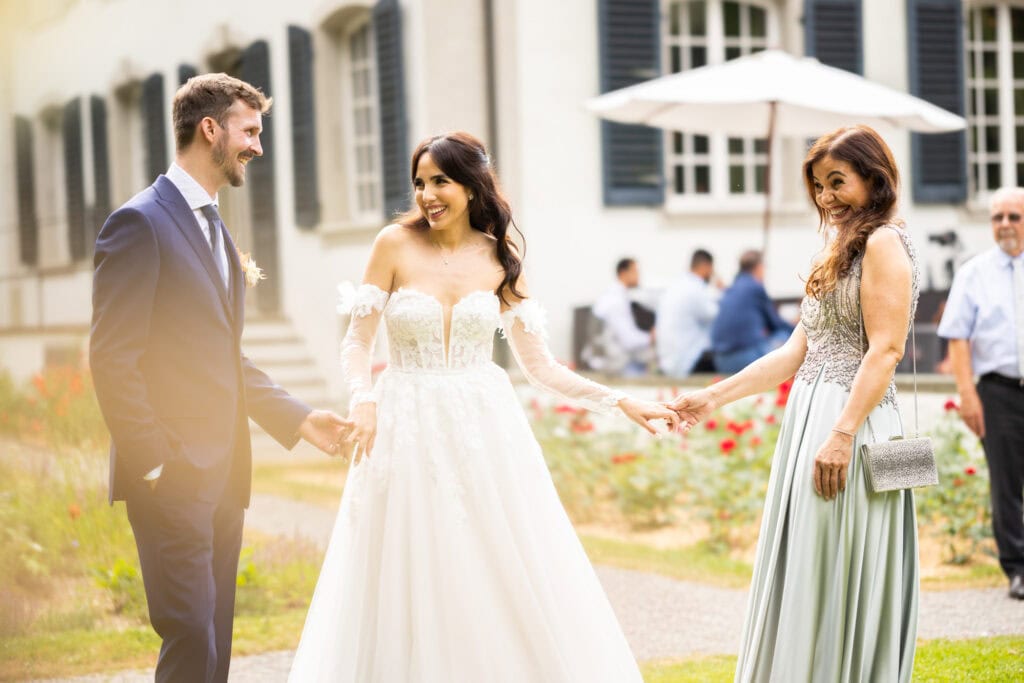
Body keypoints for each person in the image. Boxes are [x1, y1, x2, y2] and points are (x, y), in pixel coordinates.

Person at [288, 132, 677, 682]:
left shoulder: (500, 258)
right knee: (409, 557)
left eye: (440, 181)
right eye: (420, 182)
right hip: (406, 421)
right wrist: (365, 398)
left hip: (483, 425)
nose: (427, 194)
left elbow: (539, 368)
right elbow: (357, 342)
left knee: (492, 558)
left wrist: (621, 401)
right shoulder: (393, 245)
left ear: (472, 187)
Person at [89, 73, 351, 683]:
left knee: (215, 639)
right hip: (172, 477)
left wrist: (300, 418)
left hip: (223, 472)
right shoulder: (139, 224)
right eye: (250, 130)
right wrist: (155, 463)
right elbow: (111, 357)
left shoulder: (214, 227)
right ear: (210, 129)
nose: (257, 147)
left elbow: (221, 354)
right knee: (190, 637)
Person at [670, 125, 920, 681]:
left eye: (838, 182)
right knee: (807, 558)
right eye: (818, 185)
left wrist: (842, 433)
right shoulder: (836, 248)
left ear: (873, 180)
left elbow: (886, 350)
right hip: (809, 415)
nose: (826, 197)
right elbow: (790, 355)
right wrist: (711, 397)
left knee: (836, 558)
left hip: (852, 424)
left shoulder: (883, 243)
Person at [937, 186, 1024, 601]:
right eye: (998, 217)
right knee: (1005, 483)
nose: (1005, 224)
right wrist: (967, 395)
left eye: (1014, 216)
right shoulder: (973, 273)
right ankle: (1018, 569)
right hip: (998, 392)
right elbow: (957, 339)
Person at [710, 250, 793, 373]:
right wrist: (799, 328)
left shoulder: (731, 289)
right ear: (759, 267)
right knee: (785, 336)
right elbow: (776, 324)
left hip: (720, 361)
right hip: (747, 359)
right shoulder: (754, 287)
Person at [656, 248, 719, 376]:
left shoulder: (676, 286)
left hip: (668, 360)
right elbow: (717, 316)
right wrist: (724, 290)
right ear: (706, 266)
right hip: (688, 360)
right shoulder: (696, 289)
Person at [590, 257, 656, 376]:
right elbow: (629, 340)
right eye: (635, 271)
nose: (638, 276)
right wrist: (651, 337)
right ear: (623, 273)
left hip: (615, 362)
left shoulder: (613, 297)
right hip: (619, 367)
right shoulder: (616, 302)